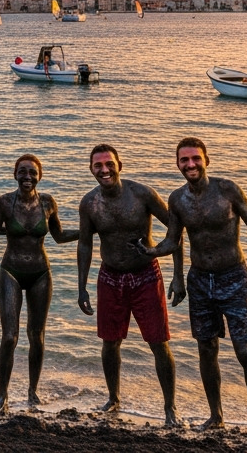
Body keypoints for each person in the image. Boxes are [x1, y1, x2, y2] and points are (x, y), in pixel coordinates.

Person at [138, 137, 247, 444]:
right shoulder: (177, 199)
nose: (190, 164)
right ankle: (216, 416)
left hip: (234, 277)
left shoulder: (227, 189)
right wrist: (152, 252)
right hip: (200, 280)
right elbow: (173, 240)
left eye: (195, 158)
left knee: (245, 352)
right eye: (183, 160)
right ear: (177, 164)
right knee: (206, 349)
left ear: (206, 159)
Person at [76, 144, 182, 427]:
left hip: (146, 275)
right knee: (110, 343)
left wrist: (175, 271)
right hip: (110, 277)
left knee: (159, 343)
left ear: (119, 165)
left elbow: (175, 229)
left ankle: (170, 408)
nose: (104, 170)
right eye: (97, 165)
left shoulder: (141, 194)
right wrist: (81, 287)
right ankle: (113, 398)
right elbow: (85, 244)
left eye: (108, 164)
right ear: (91, 169)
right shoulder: (89, 203)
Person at [0, 154, 78, 412]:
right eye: (22, 172)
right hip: (11, 272)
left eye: (32, 172)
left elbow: (59, 236)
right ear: (15, 174)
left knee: (36, 337)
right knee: (9, 337)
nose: (27, 177)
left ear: (40, 175)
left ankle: (32, 392)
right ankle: (2, 395)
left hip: (40, 273)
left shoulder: (48, 202)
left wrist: (89, 231)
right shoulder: (4, 203)